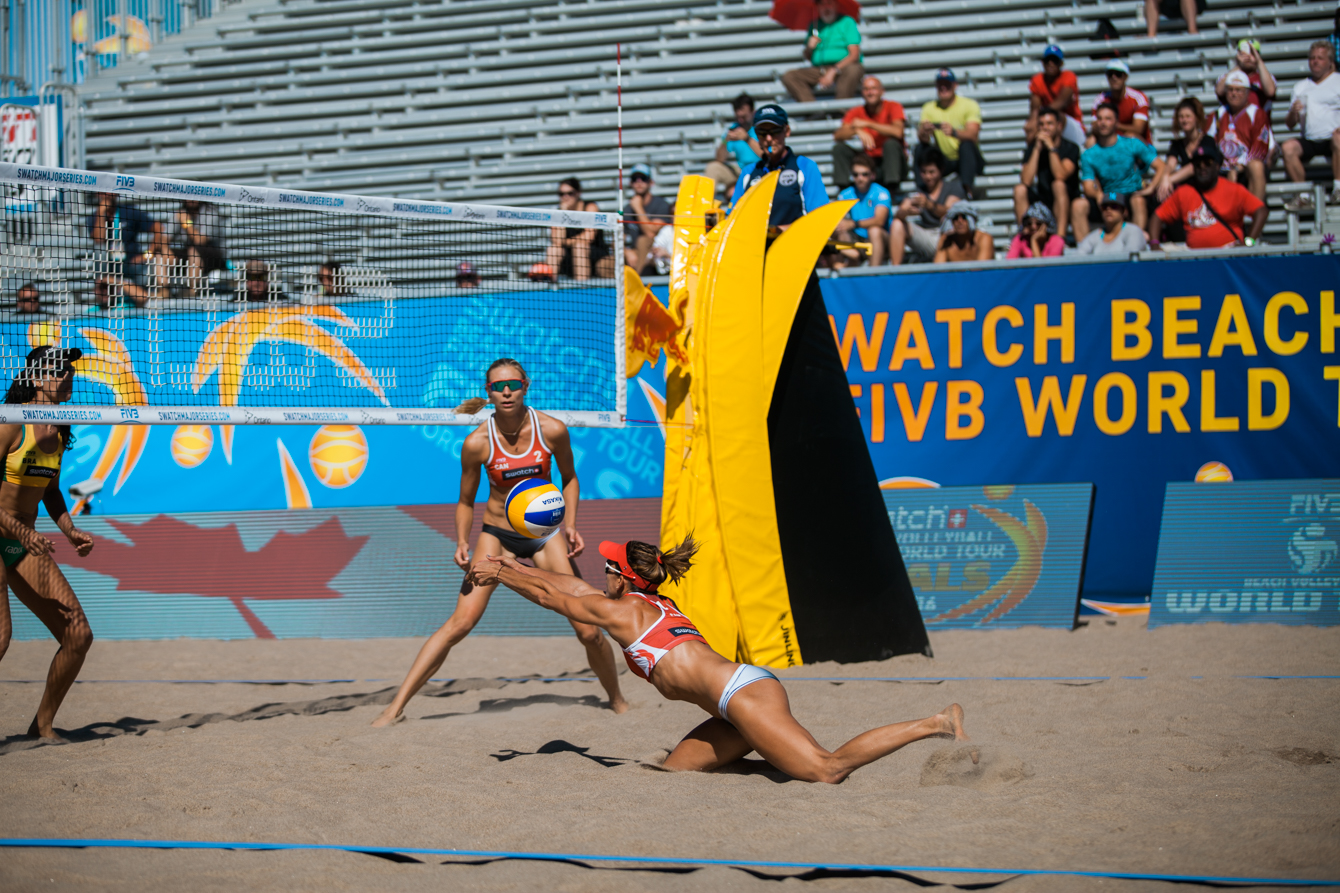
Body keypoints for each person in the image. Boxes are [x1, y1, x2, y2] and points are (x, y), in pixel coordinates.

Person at [467, 537, 970, 783]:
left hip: (742, 694)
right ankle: (771, 754)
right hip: (733, 703)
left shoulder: (622, 614)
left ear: (623, 579)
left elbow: (560, 600)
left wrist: (499, 576)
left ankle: (935, 722)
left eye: (608, 567)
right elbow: (570, 586)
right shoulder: (647, 604)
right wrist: (513, 564)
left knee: (825, 769)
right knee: (675, 772)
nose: (601, 574)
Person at [372, 359, 628, 727]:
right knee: (460, 623)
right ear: (488, 392)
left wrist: (570, 524)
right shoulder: (477, 442)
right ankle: (393, 708)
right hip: (497, 535)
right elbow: (465, 501)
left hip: (543, 536)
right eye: (497, 386)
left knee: (588, 629)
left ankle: (617, 699)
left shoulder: (552, 430)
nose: (505, 392)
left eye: (512, 384)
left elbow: (570, 479)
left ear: (525, 386)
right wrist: (461, 539)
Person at [0, 346, 96, 740]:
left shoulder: (58, 428)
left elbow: (50, 490)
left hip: (22, 541)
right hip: (11, 534)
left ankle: (42, 725)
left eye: (70, 369)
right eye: (59, 370)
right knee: (0, 638)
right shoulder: (9, 424)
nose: (68, 375)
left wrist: (70, 530)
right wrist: (22, 532)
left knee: (78, 634)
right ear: (36, 379)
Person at [1150, 141, 1267, 249]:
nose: (1202, 168)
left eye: (1207, 163)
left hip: (1229, 255)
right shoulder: (1184, 192)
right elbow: (1157, 217)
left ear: (1216, 166)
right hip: (1195, 257)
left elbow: (1261, 211)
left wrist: (1248, 242)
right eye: (1198, 164)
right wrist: (1154, 244)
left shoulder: (1233, 189)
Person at [729, 105, 829, 231]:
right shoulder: (748, 173)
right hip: (754, 248)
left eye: (775, 131)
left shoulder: (805, 166)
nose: (769, 139)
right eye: (762, 133)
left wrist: (776, 231)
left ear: (787, 131)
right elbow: (732, 220)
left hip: (795, 247)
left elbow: (820, 218)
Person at [1080, 103, 1164, 229]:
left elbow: (1161, 166)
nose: (1103, 123)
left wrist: (1151, 188)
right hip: (1108, 196)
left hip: (1131, 193)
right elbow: (1088, 187)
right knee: (1078, 205)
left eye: (1108, 119)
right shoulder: (1089, 154)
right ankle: (1084, 247)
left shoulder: (1131, 143)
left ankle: (1137, 243)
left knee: (1138, 200)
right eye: (1100, 118)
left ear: (1116, 122)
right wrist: (1098, 195)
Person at [1282, 41, 1340, 210]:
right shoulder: (1301, 87)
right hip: (1310, 138)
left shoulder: (1337, 81)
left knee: (1338, 138)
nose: (1315, 61)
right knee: (1288, 148)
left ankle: (1338, 187)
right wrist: (1293, 111)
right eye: (1312, 58)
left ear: (1330, 61)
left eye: (1320, 58)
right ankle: (1304, 195)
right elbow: (1289, 124)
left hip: (1333, 136)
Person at [1014, 107, 1084, 240]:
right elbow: (1026, 180)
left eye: (1049, 124)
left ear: (1059, 126)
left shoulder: (1071, 148)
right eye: (1041, 124)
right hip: (1043, 199)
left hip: (1066, 199)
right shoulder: (1033, 148)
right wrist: (1037, 149)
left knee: (1058, 184)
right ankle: (1024, 236)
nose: (1045, 128)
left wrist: (1052, 148)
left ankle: (1060, 237)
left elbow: (1061, 175)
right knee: (1019, 190)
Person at [88, 192, 165, 309]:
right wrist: (101, 213)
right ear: (98, 195)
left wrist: (148, 254)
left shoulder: (129, 212)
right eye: (103, 193)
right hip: (109, 265)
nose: (107, 195)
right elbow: (99, 239)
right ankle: (107, 302)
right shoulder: (95, 216)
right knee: (99, 253)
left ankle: (160, 294)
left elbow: (158, 228)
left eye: (110, 192)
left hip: (132, 263)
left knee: (155, 260)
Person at [915, 68, 985, 193]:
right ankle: (922, 189)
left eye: (947, 84)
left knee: (967, 145)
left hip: (967, 158)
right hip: (945, 159)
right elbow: (923, 139)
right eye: (940, 85)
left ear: (955, 86)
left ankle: (966, 189)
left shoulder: (969, 105)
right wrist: (924, 132)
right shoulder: (929, 108)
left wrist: (954, 133)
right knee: (920, 148)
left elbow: (973, 134)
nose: (943, 88)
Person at [1208, 71, 1274, 201]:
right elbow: (1208, 144)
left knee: (1256, 165)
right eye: (1231, 90)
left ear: (1247, 93)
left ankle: (1254, 210)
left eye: (1239, 90)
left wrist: (1238, 168)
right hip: (1222, 169)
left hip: (1245, 169)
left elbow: (1259, 150)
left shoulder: (1257, 114)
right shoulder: (1216, 115)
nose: (1234, 94)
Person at [889, 150, 964, 265]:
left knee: (951, 226)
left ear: (941, 170)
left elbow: (951, 212)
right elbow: (900, 212)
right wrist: (906, 212)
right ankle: (895, 271)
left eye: (931, 172)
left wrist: (930, 205)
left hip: (946, 236)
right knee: (897, 224)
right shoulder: (918, 191)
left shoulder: (953, 188)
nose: (928, 176)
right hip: (927, 236)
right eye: (924, 172)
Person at [781, 0, 863, 104]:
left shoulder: (847, 22)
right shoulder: (814, 25)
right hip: (819, 69)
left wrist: (834, 70)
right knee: (790, 76)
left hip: (843, 67)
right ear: (817, 7)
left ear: (836, 5)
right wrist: (809, 47)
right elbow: (808, 57)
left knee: (853, 70)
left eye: (829, 3)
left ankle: (841, 108)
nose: (826, 7)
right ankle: (812, 109)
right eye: (822, 4)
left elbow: (854, 55)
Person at [832, 76, 906, 190]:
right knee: (840, 149)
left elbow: (898, 132)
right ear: (862, 93)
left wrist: (868, 124)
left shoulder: (893, 106)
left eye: (873, 88)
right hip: (869, 162)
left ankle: (892, 191)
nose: (870, 92)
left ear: (882, 91)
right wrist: (856, 130)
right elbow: (838, 135)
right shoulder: (856, 111)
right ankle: (844, 191)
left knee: (891, 144)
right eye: (866, 89)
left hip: (891, 164)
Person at [544, 178, 614, 281]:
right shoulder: (558, 212)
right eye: (561, 194)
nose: (565, 197)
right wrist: (563, 213)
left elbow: (589, 237)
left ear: (578, 193)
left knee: (580, 247)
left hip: (595, 255)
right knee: (553, 250)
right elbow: (557, 240)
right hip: (570, 259)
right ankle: (550, 289)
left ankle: (582, 289)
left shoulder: (590, 207)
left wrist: (566, 242)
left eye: (570, 193)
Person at [833, 153, 892, 267]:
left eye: (864, 174)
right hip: (857, 239)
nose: (860, 178)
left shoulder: (881, 192)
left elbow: (879, 221)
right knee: (839, 228)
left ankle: (872, 274)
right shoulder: (845, 194)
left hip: (881, 241)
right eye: (856, 174)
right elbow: (836, 219)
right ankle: (841, 269)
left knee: (874, 231)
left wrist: (853, 224)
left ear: (873, 175)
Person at [1026, 45, 1086, 147]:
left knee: (1057, 117)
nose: (1051, 63)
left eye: (1055, 60)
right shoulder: (1037, 80)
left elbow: (1061, 102)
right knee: (1031, 125)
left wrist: (1040, 117)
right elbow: (1034, 110)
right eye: (1047, 60)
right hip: (1048, 122)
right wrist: (1032, 124)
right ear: (1043, 62)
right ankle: (1031, 155)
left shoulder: (1068, 76)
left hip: (1071, 124)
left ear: (1061, 63)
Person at [1152, 96, 1208, 202]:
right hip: (1185, 188)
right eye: (1181, 117)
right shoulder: (1177, 144)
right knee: (1158, 196)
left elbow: (1195, 167)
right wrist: (1165, 177)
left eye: (1188, 116)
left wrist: (1168, 179)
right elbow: (1170, 164)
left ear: (1196, 118)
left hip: (1204, 186)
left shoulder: (1207, 141)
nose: (1184, 120)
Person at [704, 93, 762, 196]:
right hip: (741, 172)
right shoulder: (734, 129)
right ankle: (704, 205)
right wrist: (725, 141)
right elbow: (719, 159)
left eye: (743, 114)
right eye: (737, 114)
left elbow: (767, 156)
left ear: (753, 111)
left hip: (761, 170)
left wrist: (747, 139)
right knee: (713, 167)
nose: (740, 118)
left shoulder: (762, 128)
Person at [167, 200, 227, 295]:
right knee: (162, 254)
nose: (191, 199)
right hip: (190, 254)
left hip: (214, 256)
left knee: (194, 251)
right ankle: (164, 292)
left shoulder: (211, 213)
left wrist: (186, 223)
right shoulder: (181, 212)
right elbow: (164, 236)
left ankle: (192, 291)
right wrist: (165, 250)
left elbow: (199, 241)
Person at [623, 164, 674, 275]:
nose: (639, 182)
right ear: (630, 183)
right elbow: (617, 237)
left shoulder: (661, 204)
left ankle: (640, 286)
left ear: (651, 182)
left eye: (643, 179)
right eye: (634, 179)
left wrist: (638, 208)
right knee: (604, 264)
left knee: (643, 241)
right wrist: (626, 252)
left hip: (656, 252)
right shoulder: (627, 209)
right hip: (635, 252)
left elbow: (651, 233)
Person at [1090, 61, 1151, 145]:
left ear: (1125, 77)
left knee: (1130, 136)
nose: (1114, 77)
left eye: (1118, 74)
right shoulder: (1100, 100)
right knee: (1091, 141)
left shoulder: (1138, 98)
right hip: (1109, 142)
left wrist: (1112, 124)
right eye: (1110, 74)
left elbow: (1138, 129)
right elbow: (1094, 127)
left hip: (1137, 144)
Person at [1215, 39, 1276, 114]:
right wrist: (1239, 64)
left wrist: (1259, 61)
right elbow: (1219, 91)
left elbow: (1270, 91)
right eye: (1244, 53)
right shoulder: (1229, 76)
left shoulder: (1266, 77)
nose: (1248, 57)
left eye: (1253, 53)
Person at [1077, 192, 1149, 255]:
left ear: (1124, 211)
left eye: (1114, 206)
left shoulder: (1133, 231)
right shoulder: (1093, 236)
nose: (1108, 209)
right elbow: (1079, 257)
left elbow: (1130, 261)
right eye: (1104, 207)